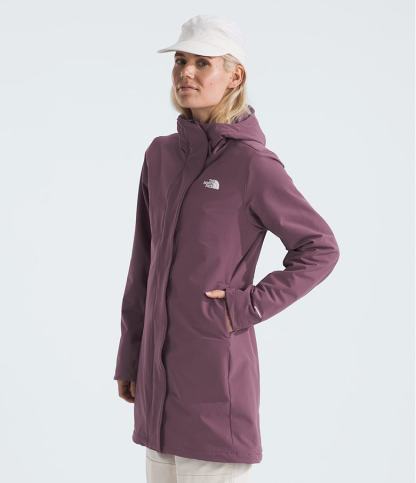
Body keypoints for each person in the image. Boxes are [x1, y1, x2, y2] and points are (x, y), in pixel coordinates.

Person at [114, 14, 340, 483]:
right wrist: (130, 355)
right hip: (157, 391)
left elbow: (319, 247)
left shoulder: (252, 165)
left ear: (235, 76)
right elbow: (143, 264)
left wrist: (245, 306)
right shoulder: (160, 156)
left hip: (217, 389)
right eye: (180, 60)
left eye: (202, 62)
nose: (186, 73)